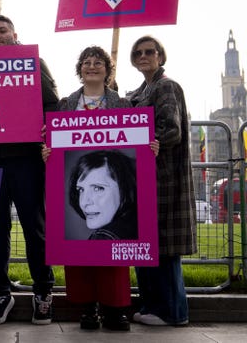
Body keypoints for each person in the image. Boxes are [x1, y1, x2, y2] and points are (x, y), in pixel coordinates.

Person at [0, 15, 57, 325]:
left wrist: (42, 127)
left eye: (2, 31)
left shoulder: (34, 62)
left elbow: (52, 106)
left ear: (14, 34)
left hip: (26, 159)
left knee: (35, 229)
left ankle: (43, 291)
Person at [126, 35, 196, 326]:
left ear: (160, 56)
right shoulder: (142, 90)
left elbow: (171, 129)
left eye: (150, 52)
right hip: (144, 177)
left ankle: (172, 312)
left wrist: (145, 139)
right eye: (138, 52)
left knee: (165, 249)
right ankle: (153, 306)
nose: (144, 56)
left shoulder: (166, 86)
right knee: (147, 245)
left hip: (163, 178)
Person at [67, 150, 138, 241]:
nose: (83, 202)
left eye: (98, 188)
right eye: (81, 189)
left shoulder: (104, 237)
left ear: (124, 189)